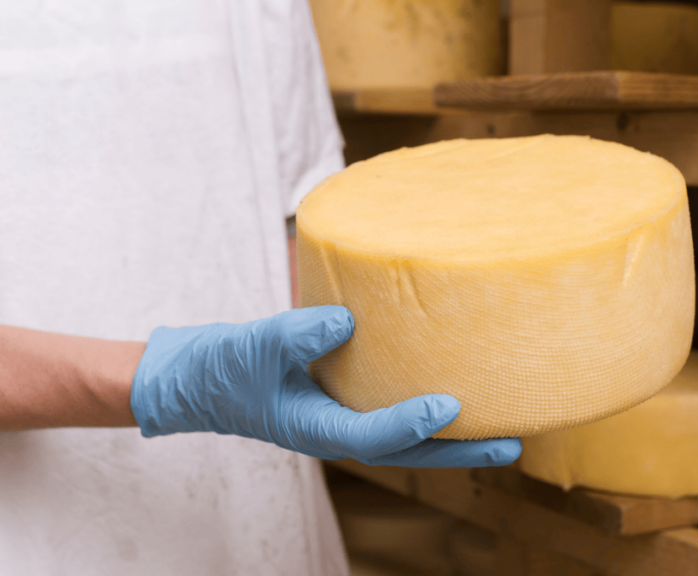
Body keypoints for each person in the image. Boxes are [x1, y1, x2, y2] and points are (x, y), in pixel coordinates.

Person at [0, 1, 519, 574]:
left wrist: (402, 358)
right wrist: (167, 381)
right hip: (33, 533)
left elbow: (295, 220)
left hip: (257, 514)